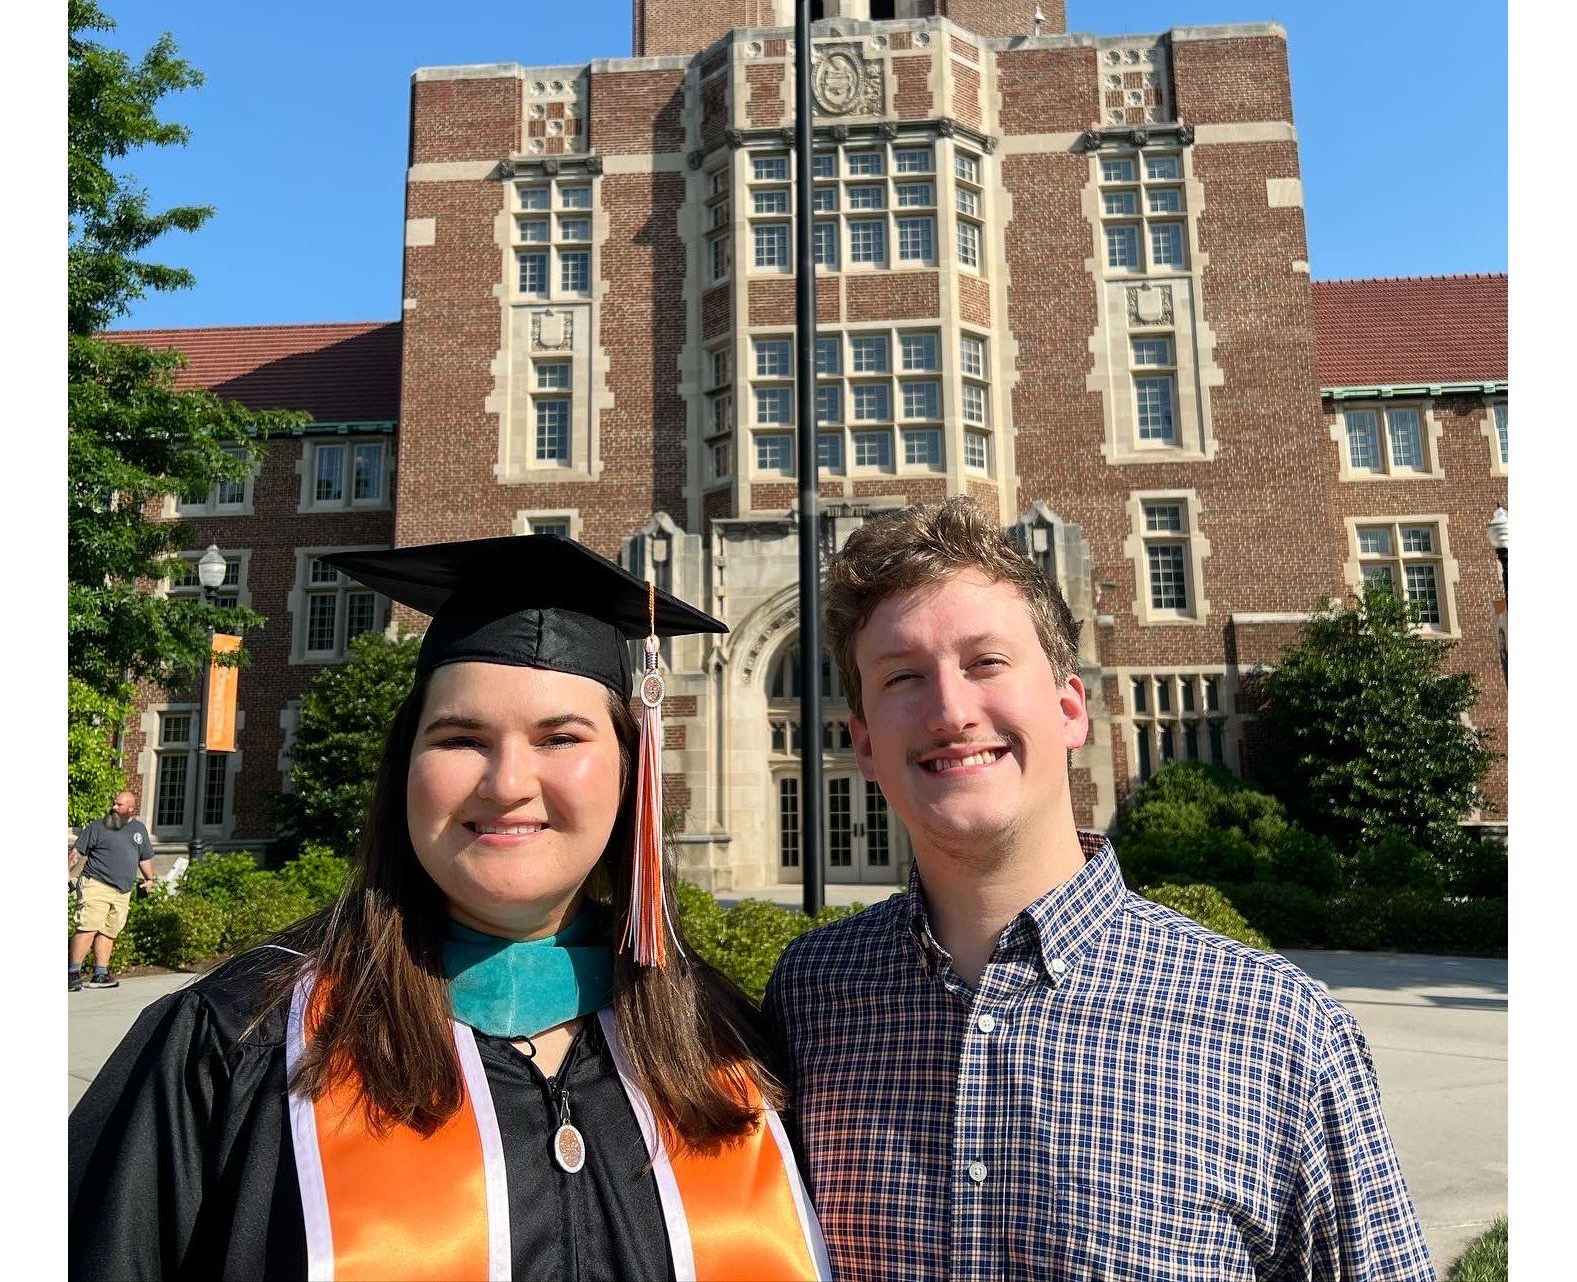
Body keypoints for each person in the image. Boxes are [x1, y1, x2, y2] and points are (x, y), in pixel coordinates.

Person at [70, 534, 830, 1281]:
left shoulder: (730, 1049)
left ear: (632, 770)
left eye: (560, 736)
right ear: (407, 765)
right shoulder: (238, 1042)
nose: (506, 782)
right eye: (462, 737)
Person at [764, 497, 1435, 1281]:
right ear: (866, 743)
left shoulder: (1277, 1031)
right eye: (904, 676)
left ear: (1069, 708)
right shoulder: (808, 1000)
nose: (949, 709)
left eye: (986, 661)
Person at [68, 790, 155, 992]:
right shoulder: (97, 827)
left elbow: (144, 857)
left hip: (122, 890)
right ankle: (72, 973)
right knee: (88, 926)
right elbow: (77, 853)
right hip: (96, 883)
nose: (114, 807)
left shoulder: (139, 830)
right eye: (114, 803)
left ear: (131, 809)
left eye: (120, 805)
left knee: (109, 930)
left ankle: (101, 974)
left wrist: (149, 879)